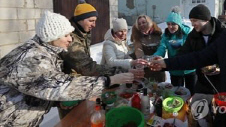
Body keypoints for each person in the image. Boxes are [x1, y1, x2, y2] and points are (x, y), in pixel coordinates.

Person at [0, 11, 134, 127]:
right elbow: (58, 86)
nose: (70, 39)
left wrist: (57, 102)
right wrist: (108, 81)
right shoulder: (31, 58)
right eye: (66, 35)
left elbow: (37, 90)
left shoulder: (47, 53)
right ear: (52, 36)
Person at [59, 0, 143, 118]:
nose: (94, 25)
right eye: (91, 21)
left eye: (95, 21)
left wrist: (134, 58)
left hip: (82, 84)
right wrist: (124, 70)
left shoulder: (83, 34)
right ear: (80, 19)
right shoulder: (72, 39)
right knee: (73, 120)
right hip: (70, 90)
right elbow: (88, 67)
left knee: (85, 116)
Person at [177, 4, 224, 94]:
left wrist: (220, 67)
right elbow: (183, 53)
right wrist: (165, 62)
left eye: (195, 20)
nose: (192, 24)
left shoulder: (223, 33)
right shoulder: (193, 36)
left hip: (221, 85)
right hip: (201, 84)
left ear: (206, 19)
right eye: (191, 21)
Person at [153, 7, 196, 94]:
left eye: (173, 24)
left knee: (192, 93)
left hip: (189, 69)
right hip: (175, 69)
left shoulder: (188, 33)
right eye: (168, 24)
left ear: (179, 24)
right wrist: (156, 56)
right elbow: (162, 47)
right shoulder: (166, 35)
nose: (170, 27)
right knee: (177, 93)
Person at [131, 15, 165, 82]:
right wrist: (144, 60)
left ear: (148, 22)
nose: (141, 25)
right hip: (145, 68)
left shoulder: (158, 34)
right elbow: (138, 50)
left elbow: (162, 48)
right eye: (139, 24)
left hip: (158, 67)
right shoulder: (137, 37)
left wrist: (156, 59)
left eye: (143, 22)